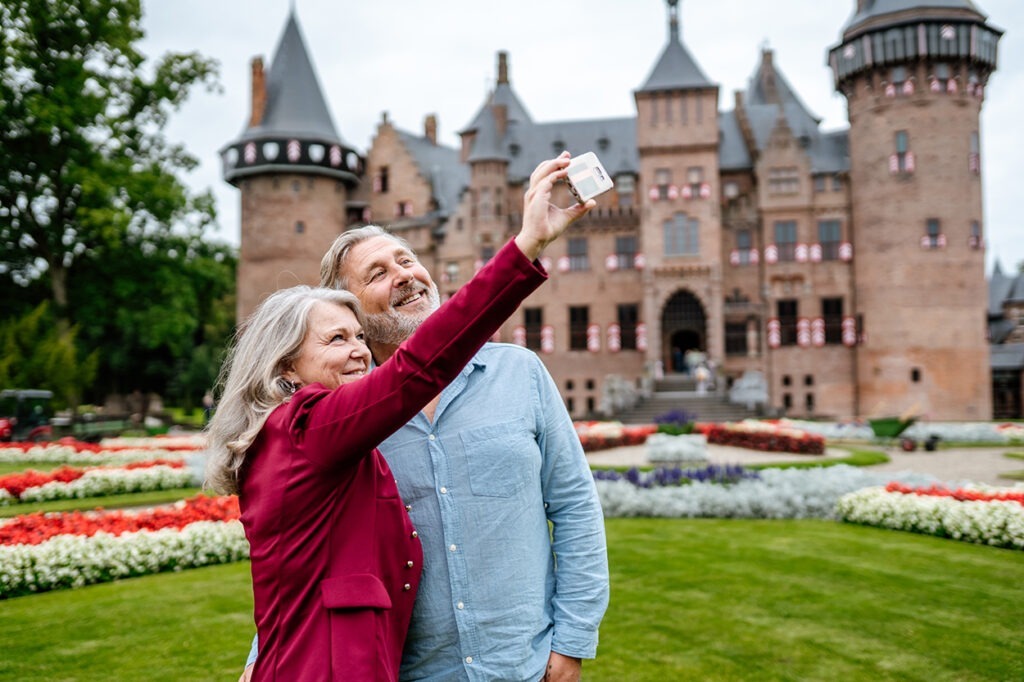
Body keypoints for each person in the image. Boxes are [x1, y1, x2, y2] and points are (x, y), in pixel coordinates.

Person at [210, 153, 596, 681]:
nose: (405, 275)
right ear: (287, 367)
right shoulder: (320, 427)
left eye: (407, 259)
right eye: (336, 337)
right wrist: (525, 245)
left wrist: (571, 640)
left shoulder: (517, 374)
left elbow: (309, 562)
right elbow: (415, 372)